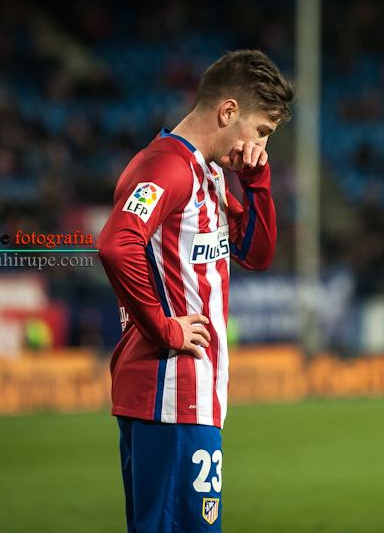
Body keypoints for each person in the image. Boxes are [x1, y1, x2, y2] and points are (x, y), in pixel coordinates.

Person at [97, 50, 294, 533]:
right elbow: (117, 244)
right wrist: (164, 328)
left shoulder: (207, 172)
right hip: (172, 391)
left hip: (186, 397)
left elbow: (256, 254)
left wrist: (257, 182)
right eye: (261, 131)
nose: (261, 146)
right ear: (228, 111)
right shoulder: (167, 167)